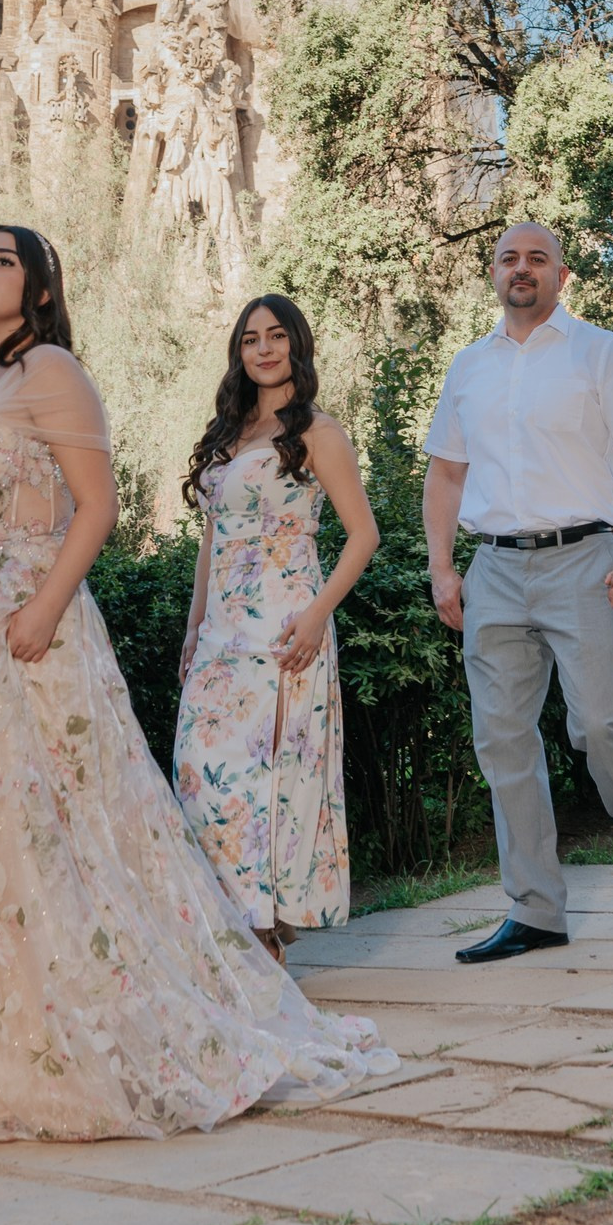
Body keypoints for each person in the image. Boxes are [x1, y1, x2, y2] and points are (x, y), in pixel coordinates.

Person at [0, 227, 395, 1154]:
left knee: (50, 825)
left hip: (31, 624)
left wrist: (42, 605)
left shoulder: (52, 371)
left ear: (37, 288)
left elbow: (96, 506)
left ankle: (123, 1010)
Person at [422, 224, 613, 960]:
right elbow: (446, 474)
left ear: (560, 274)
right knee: (502, 740)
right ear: (491, 274)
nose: (520, 270)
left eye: (535, 259)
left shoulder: (599, 350)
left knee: (601, 726)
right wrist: (441, 566)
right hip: (493, 567)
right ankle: (535, 911)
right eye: (507, 259)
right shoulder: (467, 366)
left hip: (582, 559)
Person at [175, 295, 379, 959]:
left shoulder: (316, 432)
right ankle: (231, 924)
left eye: (276, 336)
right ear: (238, 353)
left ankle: (262, 934)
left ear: (296, 345)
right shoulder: (225, 436)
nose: (263, 348)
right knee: (200, 773)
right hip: (219, 637)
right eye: (249, 339)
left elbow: (363, 536)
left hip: (285, 630)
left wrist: (317, 616)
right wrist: (192, 628)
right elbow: (212, 540)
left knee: (266, 777)